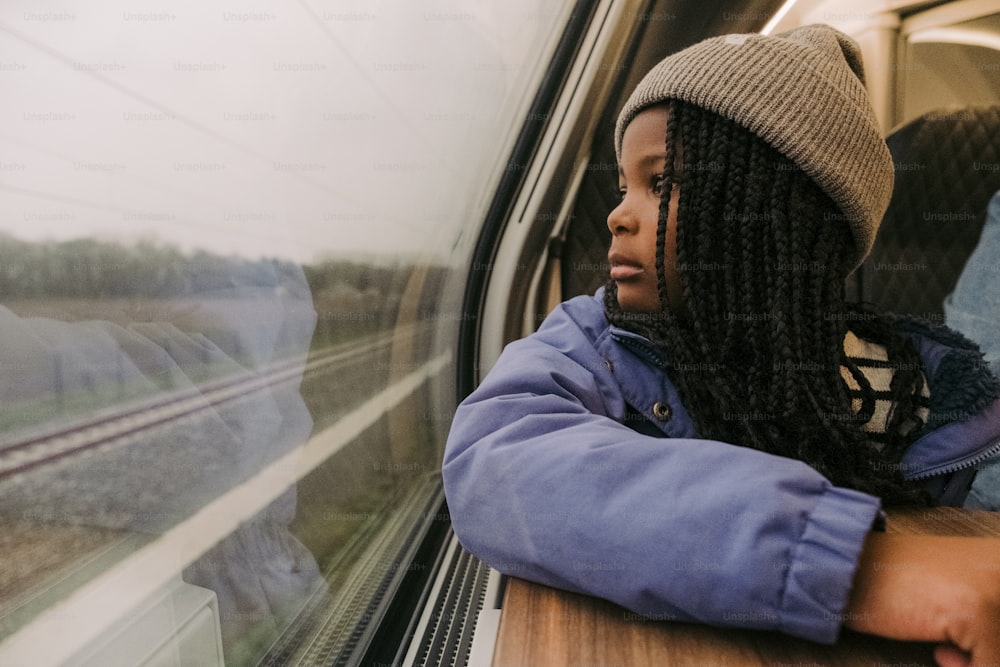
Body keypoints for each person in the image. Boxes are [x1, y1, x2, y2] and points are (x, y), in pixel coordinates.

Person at [443, 24, 1000, 666]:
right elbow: (497, 461)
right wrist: (863, 567)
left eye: (661, 184)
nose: (617, 214)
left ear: (777, 219)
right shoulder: (594, 342)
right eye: (624, 185)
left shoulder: (910, 394)